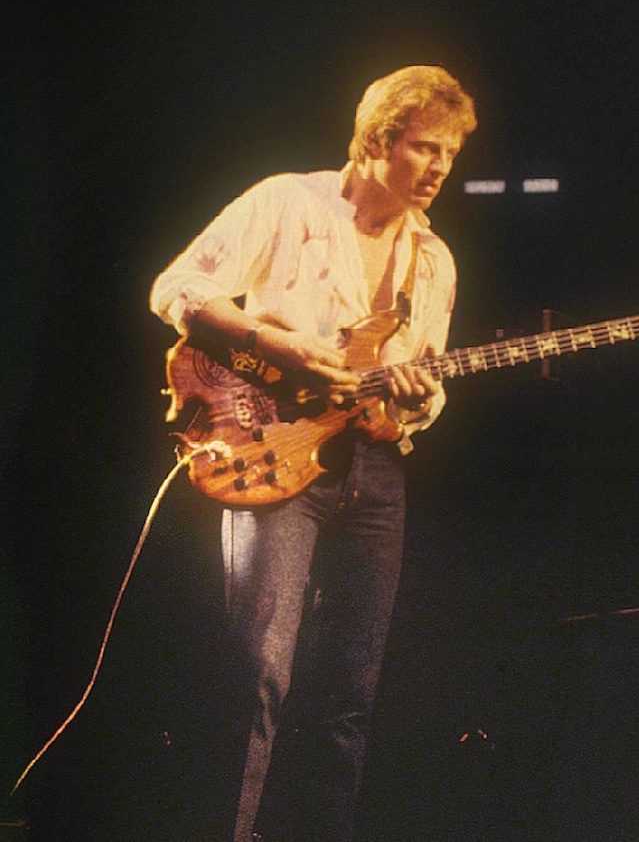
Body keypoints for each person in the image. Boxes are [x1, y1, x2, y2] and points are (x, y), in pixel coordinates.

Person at [149, 65, 473, 842]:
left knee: (349, 689)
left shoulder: (434, 260)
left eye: (450, 154)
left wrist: (414, 406)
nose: (438, 168)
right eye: (423, 147)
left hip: (374, 474)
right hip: (272, 454)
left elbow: (422, 383)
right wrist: (281, 345)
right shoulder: (286, 201)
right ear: (376, 140)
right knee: (257, 673)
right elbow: (176, 287)